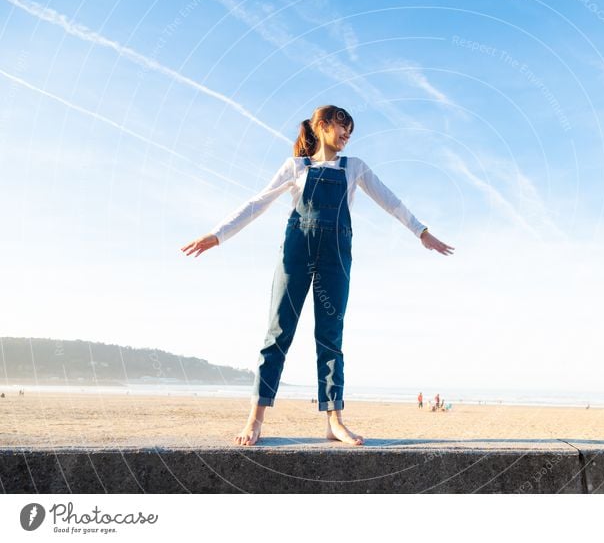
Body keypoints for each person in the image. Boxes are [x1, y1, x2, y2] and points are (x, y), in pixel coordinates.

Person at [181, 105, 454, 446]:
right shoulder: (296, 166)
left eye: (350, 131)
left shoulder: (354, 168)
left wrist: (421, 232)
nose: (347, 135)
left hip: (335, 257)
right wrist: (218, 235)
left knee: (330, 337)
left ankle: (334, 421)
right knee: (277, 333)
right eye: (342, 127)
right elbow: (258, 203)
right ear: (322, 126)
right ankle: (255, 418)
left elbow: (391, 201)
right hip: (296, 253)